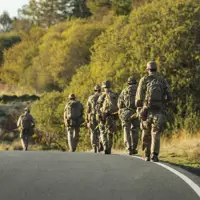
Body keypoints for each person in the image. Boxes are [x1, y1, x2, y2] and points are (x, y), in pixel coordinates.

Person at [135, 61, 172, 162]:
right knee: (155, 133)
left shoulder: (144, 80)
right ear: (156, 68)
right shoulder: (162, 80)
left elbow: (138, 98)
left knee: (146, 132)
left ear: (147, 69)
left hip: (146, 111)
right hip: (159, 111)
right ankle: (154, 155)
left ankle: (146, 154)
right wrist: (164, 103)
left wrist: (140, 110)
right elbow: (170, 96)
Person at [118, 76, 139, 155]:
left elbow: (120, 104)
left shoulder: (124, 91)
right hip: (136, 112)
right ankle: (134, 148)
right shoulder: (138, 90)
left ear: (128, 83)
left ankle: (128, 148)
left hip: (126, 113)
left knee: (126, 130)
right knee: (135, 130)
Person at [96, 80, 118, 155]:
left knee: (102, 132)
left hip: (103, 115)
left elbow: (98, 107)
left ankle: (105, 147)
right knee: (110, 133)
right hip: (112, 115)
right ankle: (109, 148)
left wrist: (99, 116)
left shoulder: (101, 96)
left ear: (103, 87)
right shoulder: (115, 94)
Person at [86, 85, 103, 153]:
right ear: (100, 90)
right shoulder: (103, 96)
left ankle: (94, 147)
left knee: (93, 132)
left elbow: (88, 109)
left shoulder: (90, 98)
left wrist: (87, 120)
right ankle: (101, 144)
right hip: (101, 116)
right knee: (101, 131)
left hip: (92, 116)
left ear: (94, 90)